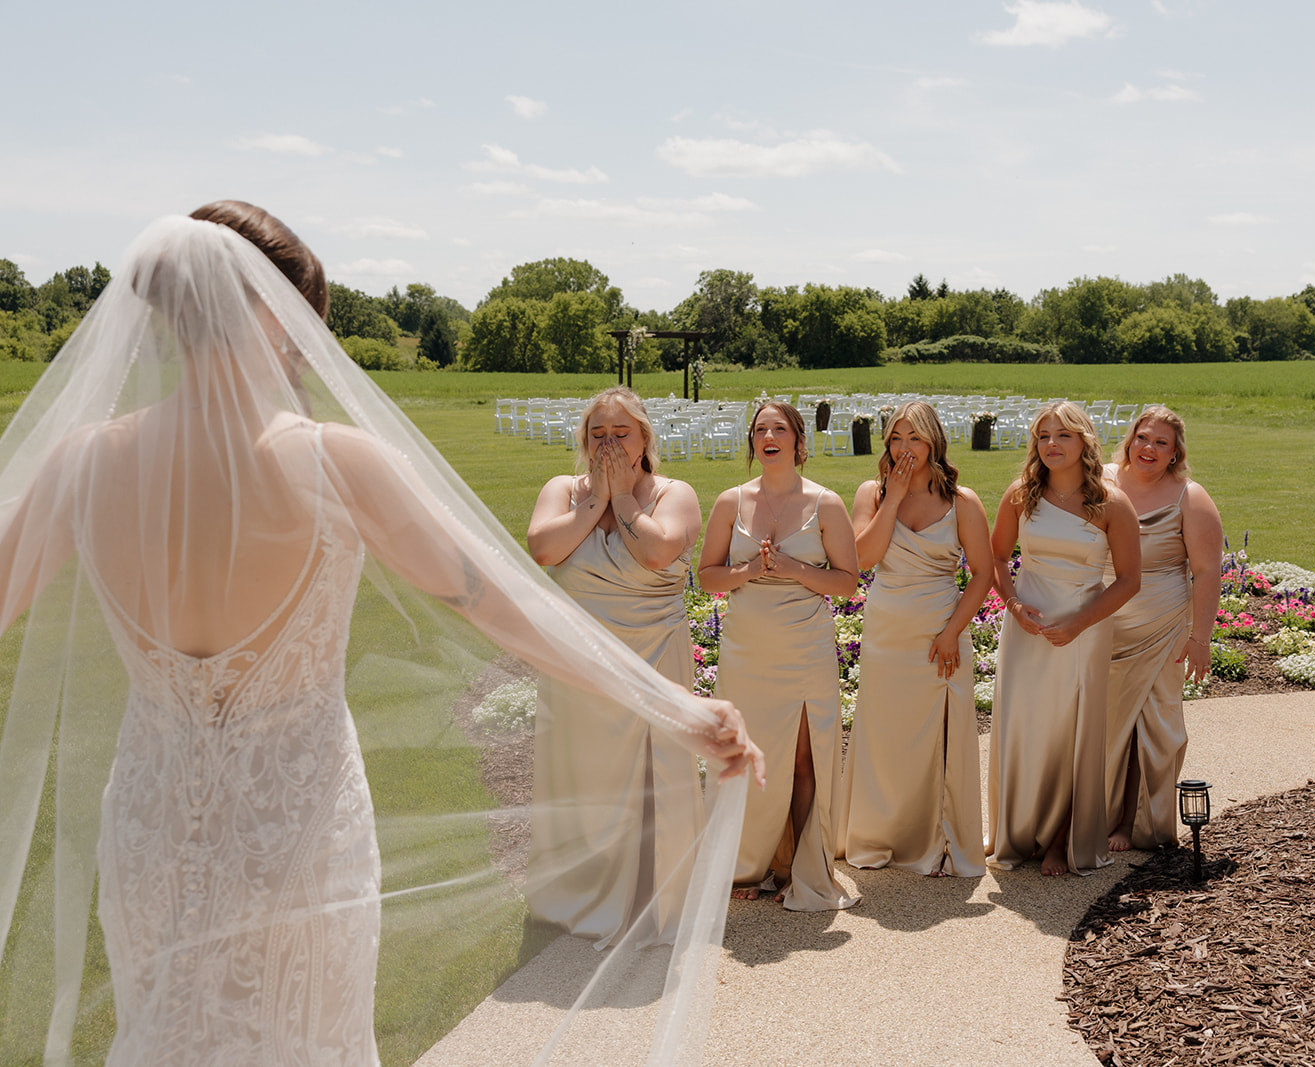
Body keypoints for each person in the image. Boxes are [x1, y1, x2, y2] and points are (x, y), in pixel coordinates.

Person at [0, 205, 761, 1065]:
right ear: (265, 314)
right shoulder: (336, 461)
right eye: (301, 330)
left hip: (148, 828)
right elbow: (495, 599)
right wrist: (670, 706)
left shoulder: (81, 464)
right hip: (297, 826)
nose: (304, 351)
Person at [525, 386, 706, 944]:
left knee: (658, 772)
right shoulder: (562, 489)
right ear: (583, 440)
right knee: (585, 776)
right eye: (597, 434)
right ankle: (581, 891)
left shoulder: (676, 494)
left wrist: (623, 498)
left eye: (620, 433)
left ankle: (656, 894)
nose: (608, 444)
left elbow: (656, 552)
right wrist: (592, 503)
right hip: (579, 663)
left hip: (654, 655)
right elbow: (543, 549)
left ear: (645, 438)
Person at [698, 401, 861, 910]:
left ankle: (800, 867)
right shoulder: (730, 501)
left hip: (803, 646)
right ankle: (748, 861)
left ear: (797, 440)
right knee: (747, 756)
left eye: (779, 428)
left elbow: (847, 582)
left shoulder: (825, 503)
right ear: (753, 441)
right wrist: (747, 572)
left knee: (802, 758)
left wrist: (791, 567)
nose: (768, 436)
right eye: (760, 429)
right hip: (748, 649)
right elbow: (707, 576)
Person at [987, 401, 1140, 876]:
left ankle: (1060, 838)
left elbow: (1130, 580)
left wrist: (1079, 624)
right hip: (1026, 627)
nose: (1051, 445)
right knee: (1025, 726)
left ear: (1084, 442)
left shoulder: (1112, 503)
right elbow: (994, 559)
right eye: (1043, 436)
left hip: (1083, 628)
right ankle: (1018, 829)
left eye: (1063, 436)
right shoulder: (1021, 494)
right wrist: (1013, 605)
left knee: (1069, 730)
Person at [838, 401, 991, 877]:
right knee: (886, 737)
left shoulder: (962, 501)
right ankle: (881, 834)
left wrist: (951, 633)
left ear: (934, 442)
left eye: (915, 438)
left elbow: (984, 575)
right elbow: (863, 558)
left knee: (937, 737)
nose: (905, 448)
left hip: (940, 634)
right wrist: (894, 497)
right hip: (887, 632)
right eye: (896, 439)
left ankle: (938, 838)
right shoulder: (872, 492)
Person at [1103, 406, 1222, 851]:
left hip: (1162, 622)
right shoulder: (1103, 480)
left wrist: (1199, 639)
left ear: (1175, 453)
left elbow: (1207, 572)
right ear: (1129, 439)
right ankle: (1097, 814)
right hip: (1103, 618)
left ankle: (1136, 824)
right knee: (1102, 723)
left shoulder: (1189, 497)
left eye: (1161, 443)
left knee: (1151, 725)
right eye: (1142, 438)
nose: (1148, 448)